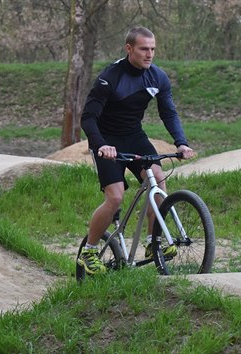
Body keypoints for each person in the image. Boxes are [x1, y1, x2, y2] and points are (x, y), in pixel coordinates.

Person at [77, 26, 196, 275]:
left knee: (159, 183)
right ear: (129, 49)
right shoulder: (111, 76)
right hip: (106, 140)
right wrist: (101, 145)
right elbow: (88, 117)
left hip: (134, 136)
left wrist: (181, 142)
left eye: (152, 49)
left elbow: (169, 112)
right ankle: (89, 250)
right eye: (144, 49)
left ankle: (153, 244)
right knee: (115, 197)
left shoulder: (158, 77)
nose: (149, 54)